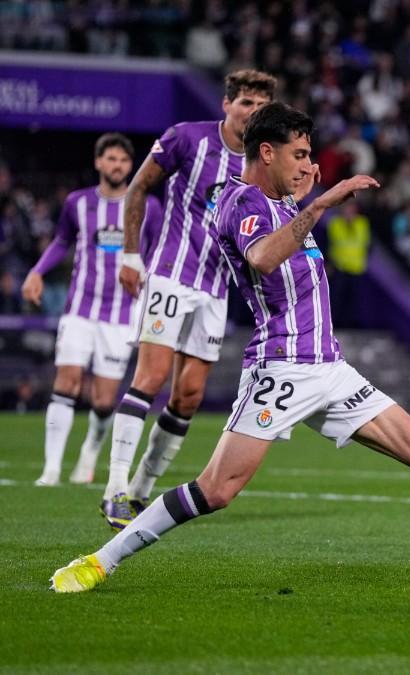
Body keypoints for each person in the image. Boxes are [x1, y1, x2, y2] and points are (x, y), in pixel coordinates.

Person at [50, 103, 410, 595]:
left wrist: (305, 197)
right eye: (300, 154)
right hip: (279, 369)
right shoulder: (239, 200)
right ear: (267, 152)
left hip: (330, 368)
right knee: (215, 491)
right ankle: (101, 560)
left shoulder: (283, 204)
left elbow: (289, 233)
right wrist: (324, 202)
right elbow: (261, 258)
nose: (308, 165)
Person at [103, 70, 275, 530]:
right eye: (245, 102)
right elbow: (139, 187)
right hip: (170, 277)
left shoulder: (264, 164)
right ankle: (114, 487)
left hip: (216, 291)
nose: (251, 111)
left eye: (260, 105)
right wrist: (131, 256)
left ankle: (140, 489)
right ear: (227, 104)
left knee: (189, 395)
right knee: (153, 375)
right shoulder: (187, 139)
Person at [23, 133, 163, 486]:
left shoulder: (149, 207)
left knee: (104, 401)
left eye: (123, 160)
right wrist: (37, 272)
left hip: (123, 315)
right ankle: (50, 469)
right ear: (99, 162)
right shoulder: (78, 203)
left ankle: (89, 450)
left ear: (132, 166)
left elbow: (161, 253)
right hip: (80, 309)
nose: (117, 165)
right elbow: (61, 241)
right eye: (110, 159)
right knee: (66, 382)